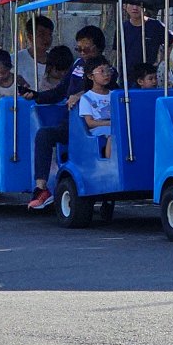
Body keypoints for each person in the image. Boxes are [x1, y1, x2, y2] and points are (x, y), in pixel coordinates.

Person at [27, 29, 109, 209]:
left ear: (97, 47)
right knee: (44, 135)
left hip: (93, 125)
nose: (82, 53)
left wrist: (82, 94)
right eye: (78, 48)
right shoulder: (78, 65)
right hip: (70, 124)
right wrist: (35, 96)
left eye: (85, 49)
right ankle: (41, 189)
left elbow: (110, 90)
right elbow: (60, 91)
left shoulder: (106, 70)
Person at [74, 56, 118, 158]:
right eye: (101, 71)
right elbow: (90, 123)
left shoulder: (114, 95)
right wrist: (110, 123)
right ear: (90, 76)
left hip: (113, 126)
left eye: (108, 70)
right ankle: (110, 164)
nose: (106, 74)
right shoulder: (86, 98)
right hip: (98, 129)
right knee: (114, 136)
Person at [120, 0, 167, 71]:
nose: (135, 8)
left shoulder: (156, 26)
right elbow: (118, 52)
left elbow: (172, 43)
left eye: (139, 5)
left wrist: (162, 63)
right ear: (124, 6)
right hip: (127, 75)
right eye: (132, 4)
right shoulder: (122, 28)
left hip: (150, 75)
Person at [15, 15, 54, 91]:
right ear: (30, 37)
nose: (47, 38)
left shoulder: (56, 60)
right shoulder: (15, 60)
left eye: (50, 34)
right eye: (42, 34)